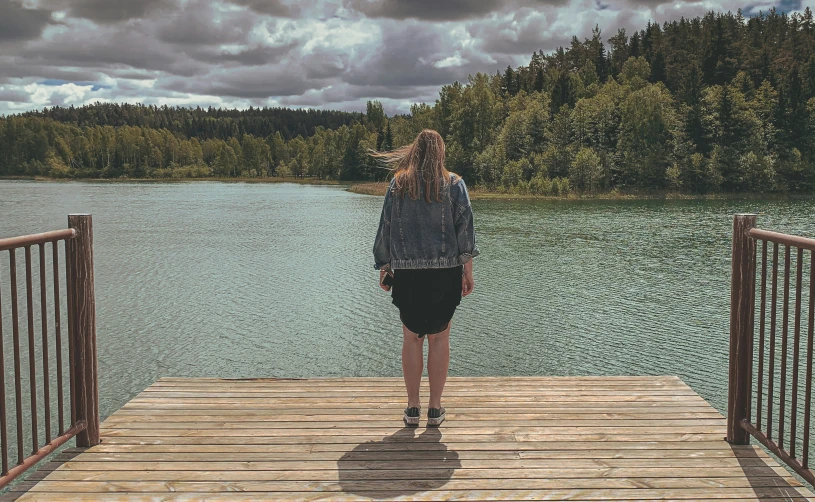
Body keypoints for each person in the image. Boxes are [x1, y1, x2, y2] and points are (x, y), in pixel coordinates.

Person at [372, 129, 479, 427]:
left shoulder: (398, 184)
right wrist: (467, 269)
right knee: (440, 337)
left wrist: (385, 265)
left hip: (408, 274)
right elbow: (465, 230)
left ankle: (411, 408)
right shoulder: (455, 185)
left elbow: (386, 227)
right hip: (445, 274)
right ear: (441, 153)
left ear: (414, 152)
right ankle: (435, 408)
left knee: (411, 338)